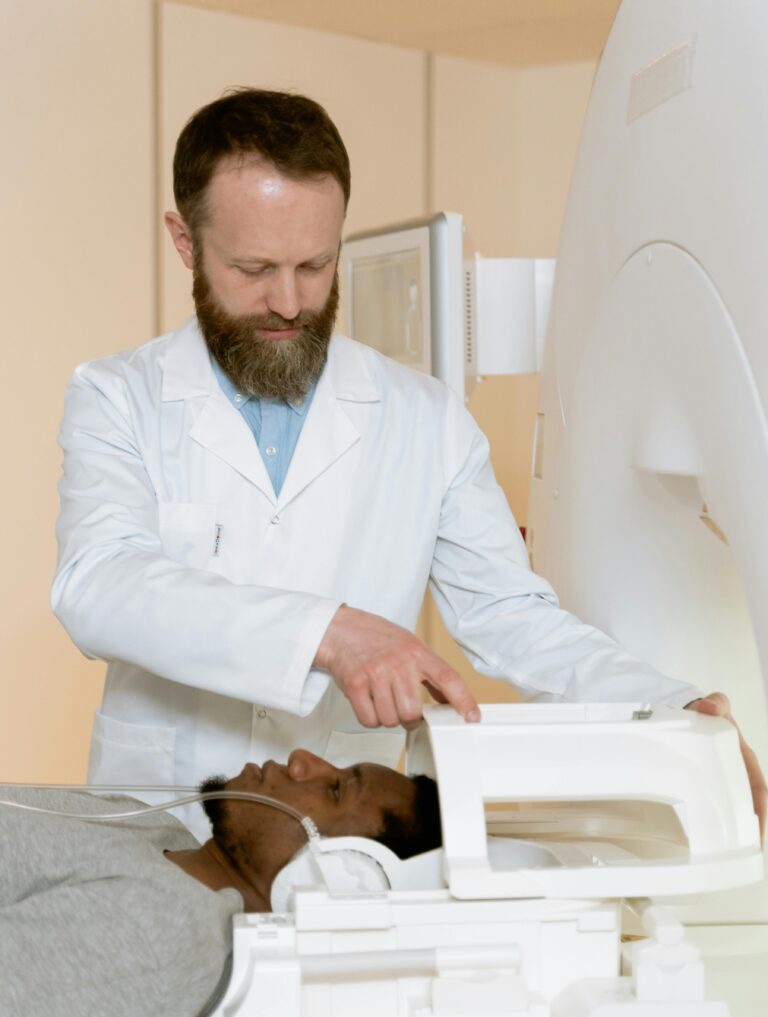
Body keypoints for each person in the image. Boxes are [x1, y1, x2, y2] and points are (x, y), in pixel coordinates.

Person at [52, 88, 766, 840]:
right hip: (160, 821)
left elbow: (512, 616)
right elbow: (99, 584)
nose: (289, 302)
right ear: (185, 241)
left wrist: (668, 706)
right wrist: (331, 635)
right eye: (253, 268)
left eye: (315, 265)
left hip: (337, 840)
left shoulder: (427, 420)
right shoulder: (118, 396)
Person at [0, 751, 441, 1017]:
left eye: (335, 789)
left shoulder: (160, 928)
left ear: (340, 873)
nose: (301, 759)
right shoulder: (158, 828)